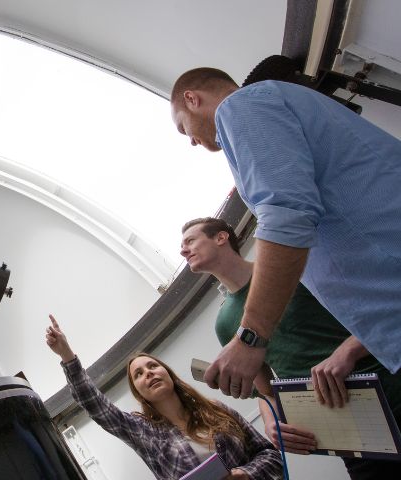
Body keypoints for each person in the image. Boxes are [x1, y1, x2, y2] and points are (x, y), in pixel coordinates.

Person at [169, 67, 401, 400]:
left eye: (183, 128)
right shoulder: (272, 103)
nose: (191, 140)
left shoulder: (240, 107)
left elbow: (286, 215)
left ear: (191, 98)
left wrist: (251, 337)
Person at [181, 216, 401, 478]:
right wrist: (271, 421)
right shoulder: (226, 323)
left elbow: (386, 310)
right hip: (352, 435)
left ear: (221, 237)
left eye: (190, 241)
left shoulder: (292, 269)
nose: (183, 250)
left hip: (392, 393)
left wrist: (348, 351)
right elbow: (265, 391)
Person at [45, 315, 282, 480]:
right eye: (138, 374)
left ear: (168, 374)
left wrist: (246, 474)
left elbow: (271, 455)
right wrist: (67, 355)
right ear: (139, 393)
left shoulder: (216, 409)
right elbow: (96, 405)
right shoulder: (142, 431)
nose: (148, 373)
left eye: (152, 366)